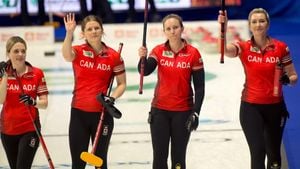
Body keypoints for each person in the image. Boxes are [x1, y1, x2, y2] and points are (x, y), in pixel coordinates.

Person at [218, 8, 298, 169]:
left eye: (262, 21)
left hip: (276, 107)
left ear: (268, 24)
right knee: (258, 152)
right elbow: (225, 51)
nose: (258, 24)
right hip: (250, 107)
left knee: (274, 154)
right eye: (254, 22)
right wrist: (223, 29)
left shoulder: (281, 47)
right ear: (249, 26)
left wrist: (287, 79)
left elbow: (294, 77)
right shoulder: (243, 47)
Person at [137, 14, 205, 169]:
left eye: (175, 27)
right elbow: (145, 71)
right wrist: (142, 58)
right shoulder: (158, 51)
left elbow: (200, 87)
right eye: (168, 28)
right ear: (164, 31)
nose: (172, 31)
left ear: (182, 29)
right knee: (159, 159)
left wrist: (196, 112)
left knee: (178, 159)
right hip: (159, 111)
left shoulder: (193, 53)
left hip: (183, 112)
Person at [62, 13, 126, 169]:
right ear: (83, 33)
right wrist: (69, 33)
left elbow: (122, 84)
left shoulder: (114, 56)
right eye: (89, 29)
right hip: (79, 113)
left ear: (102, 30)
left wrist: (112, 97)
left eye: (97, 28)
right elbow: (66, 56)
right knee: (78, 163)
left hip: (102, 115)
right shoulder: (78, 51)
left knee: (99, 162)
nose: (94, 31)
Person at [0, 36, 49, 169]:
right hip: (7, 129)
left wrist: (33, 102)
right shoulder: (2, 73)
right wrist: (4, 76)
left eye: (23, 51)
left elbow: (44, 103)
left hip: (30, 128)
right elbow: (1, 100)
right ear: (8, 53)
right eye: (16, 51)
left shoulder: (37, 73)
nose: (20, 54)